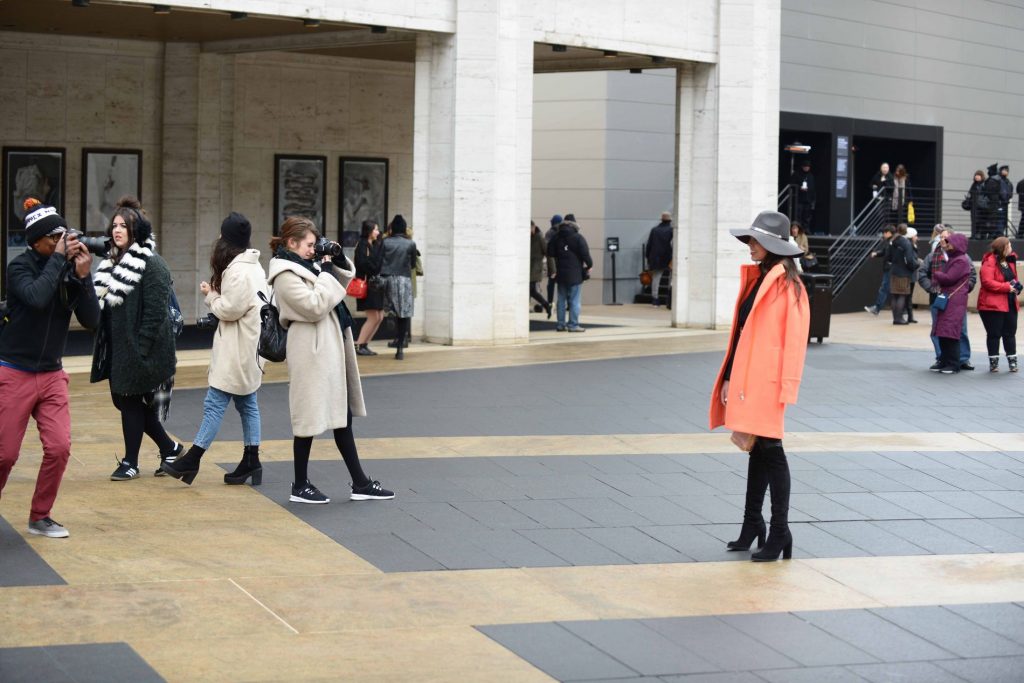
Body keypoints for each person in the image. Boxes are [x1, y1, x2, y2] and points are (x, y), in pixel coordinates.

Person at [267, 216, 393, 504]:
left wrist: (335, 257)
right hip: (309, 349)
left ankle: (360, 482)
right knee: (308, 418)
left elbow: (342, 281)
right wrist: (324, 271)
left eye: (315, 244)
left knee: (341, 417)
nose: (314, 249)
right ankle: (299, 485)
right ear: (291, 243)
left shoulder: (306, 265)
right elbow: (314, 306)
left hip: (328, 346)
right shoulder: (284, 274)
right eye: (309, 245)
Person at [710, 210, 810, 562]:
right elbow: (741, 333)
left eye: (755, 241)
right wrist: (727, 376)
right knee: (757, 448)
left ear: (771, 245)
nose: (749, 246)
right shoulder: (760, 278)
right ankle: (753, 523)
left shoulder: (790, 286)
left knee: (771, 450)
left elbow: (795, 342)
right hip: (750, 377)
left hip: (768, 381)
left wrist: (787, 386)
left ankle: (779, 530)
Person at [0, 199, 100, 538]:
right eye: (56, 236)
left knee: (59, 447)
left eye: (65, 234)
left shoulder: (68, 267)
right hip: (14, 371)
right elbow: (37, 297)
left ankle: (40, 515)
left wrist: (84, 279)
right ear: (38, 240)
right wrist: (59, 259)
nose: (63, 240)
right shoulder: (19, 267)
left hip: (52, 374)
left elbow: (93, 321)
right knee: (5, 454)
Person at [161, 213, 267, 485]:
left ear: (227, 241)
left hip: (236, 350)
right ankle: (251, 460)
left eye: (222, 234)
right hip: (250, 349)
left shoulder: (237, 271)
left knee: (214, 404)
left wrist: (210, 296)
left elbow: (229, 310)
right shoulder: (254, 267)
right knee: (248, 404)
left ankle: (192, 459)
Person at [90, 196, 182, 481]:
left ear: (136, 231)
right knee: (125, 401)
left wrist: (140, 350)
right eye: (114, 225)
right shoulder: (112, 263)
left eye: (124, 226)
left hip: (146, 350)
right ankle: (170, 448)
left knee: (129, 401)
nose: (117, 230)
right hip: (121, 349)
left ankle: (130, 462)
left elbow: (156, 313)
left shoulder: (152, 264)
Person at [919, 227, 976, 372]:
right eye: (941, 238)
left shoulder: (962, 258)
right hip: (938, 298)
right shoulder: (932, 255)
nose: (943, 241)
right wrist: (931, 288)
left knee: (957, 331)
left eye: (946, 238)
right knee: (939, 330)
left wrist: (963, 289)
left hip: (953, 299)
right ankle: (942, 359)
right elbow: (922, 273)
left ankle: (961, 359)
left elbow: (970, 276)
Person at [978, 236, 1021, 373]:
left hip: (1009, 302)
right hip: (992, 305)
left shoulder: (1009, 261)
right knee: (994, 334)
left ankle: (1012, 363)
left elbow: (1012, 279)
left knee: (1010, 333)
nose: (1011, 248)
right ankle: (994, 364)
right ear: (1003, 248)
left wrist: (1017, 287)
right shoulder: (989, 262)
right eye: (1009, 245)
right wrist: (1007, 287)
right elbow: (987, 282)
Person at [380, 215, 417, 360]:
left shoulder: (385, 242)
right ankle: (400, 348)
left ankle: (390, 315)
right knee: (405, 313)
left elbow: (379, 260)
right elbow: (413, 264)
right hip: (404, 279)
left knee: (389, 306)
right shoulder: (410, 244)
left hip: (387, 278)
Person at [547, 213, 592, 332]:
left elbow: (550, 252)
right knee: (574, 300)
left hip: (561, 274)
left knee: (561, 300)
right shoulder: (578, 237)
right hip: (575, 274)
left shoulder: (556, 237)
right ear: (575, 224)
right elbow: (585, 255)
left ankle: (561, 325)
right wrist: (590, 265)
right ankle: (573, 325)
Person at [353, 219, 385, 356]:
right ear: (370, 231)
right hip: (368, 285)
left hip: (375, 285)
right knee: (373, 317)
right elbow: (364, 264)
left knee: (379, 316)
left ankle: (364, 344)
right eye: (376, 229)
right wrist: (375, 266)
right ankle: (359, 344)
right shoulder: (362, 245)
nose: (378, 232)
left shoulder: (373, 244)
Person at [889, 224, 919, 325]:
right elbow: (910, 260)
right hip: (903, 272)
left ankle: (895, 318)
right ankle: (899, 318)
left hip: (894, 271)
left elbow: (888, 256)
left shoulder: (893, 240)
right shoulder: (906, 243)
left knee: (894, 295)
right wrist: (915, 266)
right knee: (902, 295)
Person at [864, 224, 895, 315]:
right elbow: (885, 252)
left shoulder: (892, 242)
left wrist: (889, 263)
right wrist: (877, 254)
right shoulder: (890, 242)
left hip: (890, 268)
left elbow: (890, 254)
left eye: (884, 233)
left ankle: (877, 308)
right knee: (887, 288)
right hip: (889, 268)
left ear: (889, 233)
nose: (883, 235)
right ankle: (901, 309)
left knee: (884, 288)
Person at [646, 212, 673, 306]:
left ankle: (655, 298)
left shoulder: (654, 230)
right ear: (670, 220)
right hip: (669, 257)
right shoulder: (672, 230)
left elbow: (649, 245)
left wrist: (648, 257)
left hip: (656, 257)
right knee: (672, 278)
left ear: (661, 220)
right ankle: (670, 299)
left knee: (656, 278)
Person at [529, 221, 551, 317]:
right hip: (528, 269)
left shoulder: (540, 238)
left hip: (535, 269)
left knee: (531, 290)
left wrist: (552, 269)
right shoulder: (528, 237)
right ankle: (546, 305)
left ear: (534, 227)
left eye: (529, 228)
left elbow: (549, 254)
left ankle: (546, 305)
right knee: (531, 291)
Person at [789, 160, 815, 232]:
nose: (806, 168)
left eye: (808, 167)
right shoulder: (797, 174)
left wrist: (813, 200)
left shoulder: (810, 176)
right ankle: (798, 230)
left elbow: (813, 188)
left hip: (808, 200)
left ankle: (806, 229)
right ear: (802, 167)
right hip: (799, 199)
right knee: (798, 215)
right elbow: (792, 184)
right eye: (805, 167)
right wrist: (799, 188)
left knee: (807, 216)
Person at [962, 170, 987, 238]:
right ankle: (974, 234)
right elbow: (970, 193)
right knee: (974, 221)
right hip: (973, 205)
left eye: (978, 175)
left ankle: (979, 235)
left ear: (982, 176)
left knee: (980, 221)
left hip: (980, 206)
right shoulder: (974, 184)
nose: (977, 177)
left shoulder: (983, 184)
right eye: (976, 175)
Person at [544, 215, 561, 312]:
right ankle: (563, 304)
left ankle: (550, 302)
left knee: (551, 284)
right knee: (562, 285)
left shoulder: (550, 233)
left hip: (552, 262)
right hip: (562, 262)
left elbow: (546, 249)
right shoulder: (563, 233)